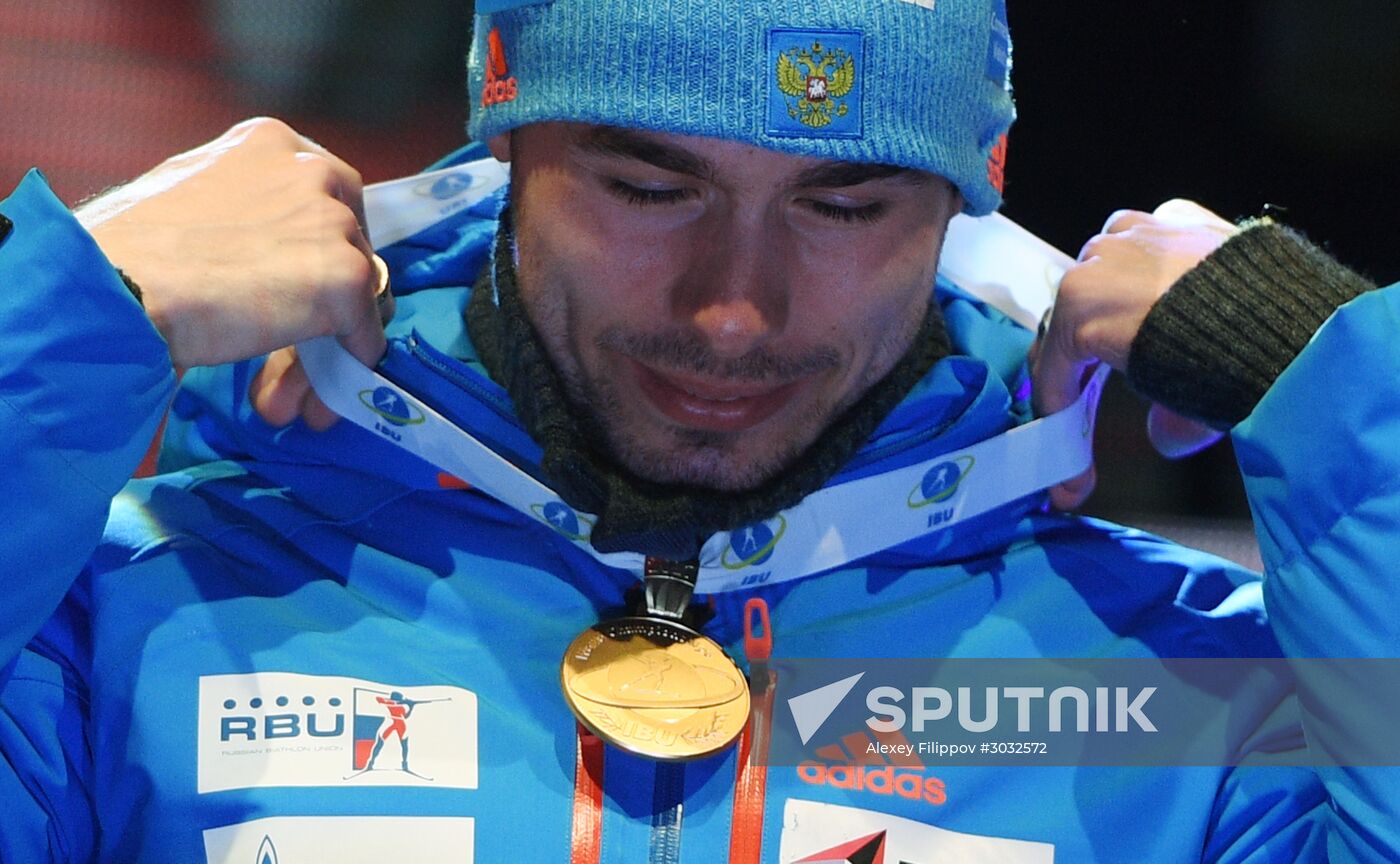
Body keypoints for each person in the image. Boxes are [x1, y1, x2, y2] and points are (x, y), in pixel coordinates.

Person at [0, 1, 1396, 861]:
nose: (736, 310)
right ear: (503, 156)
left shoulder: (1184, 696)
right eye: (645, 187)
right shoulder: (121, 624)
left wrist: (1345, 391)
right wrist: (62, 314)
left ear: (978, 207)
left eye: (844, 207)